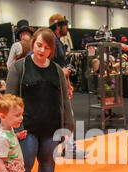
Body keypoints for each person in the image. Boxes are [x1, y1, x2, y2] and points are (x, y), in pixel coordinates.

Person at [6, 27, 75, 172]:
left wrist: (68, 126)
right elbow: (10, 100)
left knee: (48, 161)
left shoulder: (57, 71)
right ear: (33, 44)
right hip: (26, 127)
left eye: (46, 47)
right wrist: (16, 127)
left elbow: (64, 101)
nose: (41, 50)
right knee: (26, 163)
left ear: (51, 50)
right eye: (38, 45)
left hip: (51, 127)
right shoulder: (19, 68)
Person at [49, 13, 88, 159]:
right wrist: (61, 71)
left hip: (58, 84)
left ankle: (68, 148)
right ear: (58, 26)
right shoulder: (52, 41)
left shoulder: (57, 41)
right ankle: (68, 149)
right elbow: (48, 64)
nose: (67, 27)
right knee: (66, 117)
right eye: (65, 24)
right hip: (55, 85)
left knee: (65, 117)